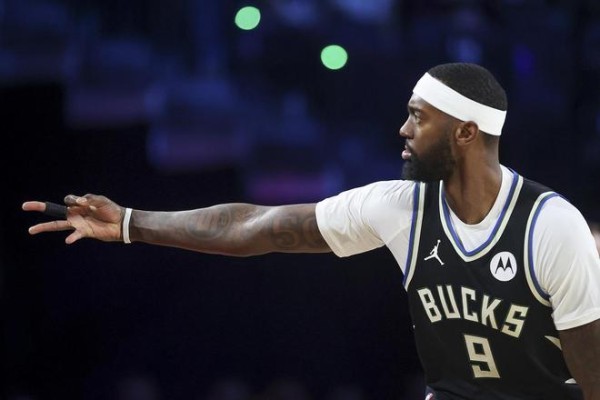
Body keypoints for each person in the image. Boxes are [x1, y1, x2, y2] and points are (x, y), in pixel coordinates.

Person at [22, 63, 600, 400]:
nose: (403, 129)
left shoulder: (551, 227)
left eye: (418, 117)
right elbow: (257, 226)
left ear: (466, 133)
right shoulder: (400, 207)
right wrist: (130, 223)